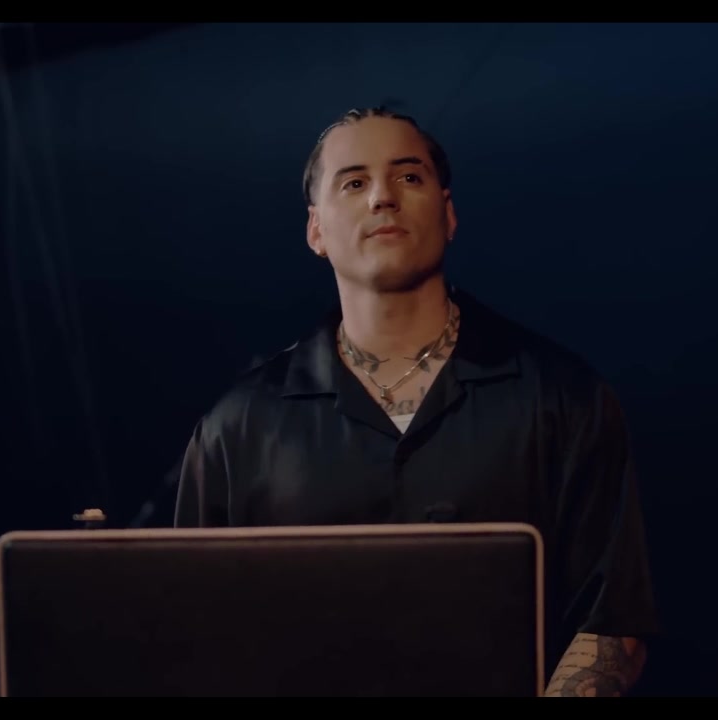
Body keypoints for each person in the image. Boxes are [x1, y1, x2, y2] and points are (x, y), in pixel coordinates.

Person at [173, 106, 660, 697]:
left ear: (448, 214)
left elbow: (612, 620)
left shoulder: (563, 396)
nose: (383, 196)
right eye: (354, 182)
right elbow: (191, 631)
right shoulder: (237, 426)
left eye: (408, 176)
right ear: (315, 230)